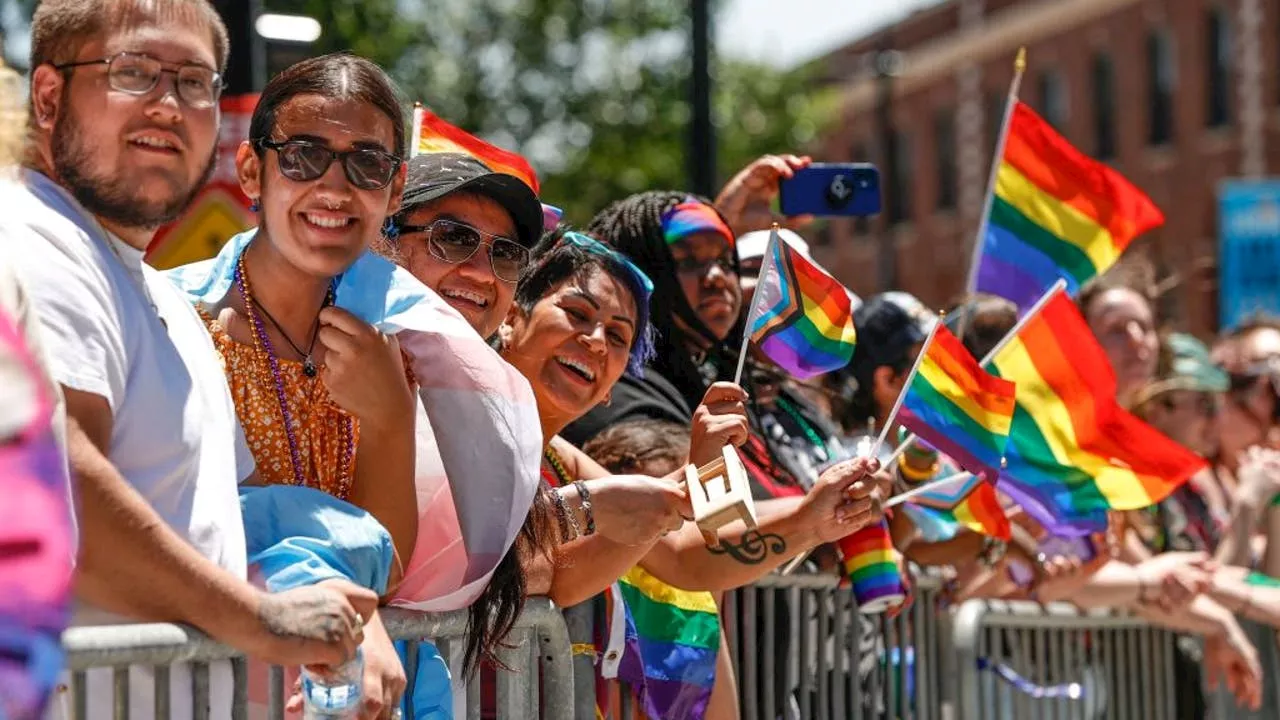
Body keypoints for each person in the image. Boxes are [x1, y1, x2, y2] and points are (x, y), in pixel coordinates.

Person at [5, 2, 378, 717]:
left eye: (195, 83)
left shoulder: (162, 300)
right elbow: (57, 492)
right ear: (48, 97)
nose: (168, 106)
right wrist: (260, 620)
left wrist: (350, 614)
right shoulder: (28, 242)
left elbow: (230, 518)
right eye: (134, 72)